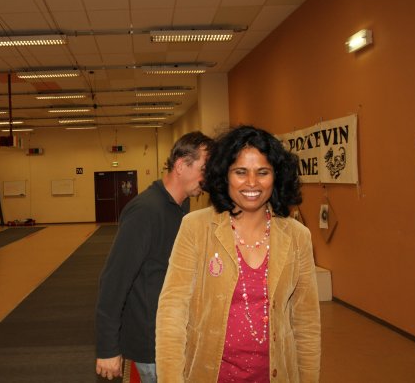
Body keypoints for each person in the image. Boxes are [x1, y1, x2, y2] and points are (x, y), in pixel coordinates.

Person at [156, 125, 321, 382]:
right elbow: (172, 312)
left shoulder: (298, 236)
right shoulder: (196, 228)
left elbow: (306, 322)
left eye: (263, 172)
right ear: (224, 175)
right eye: (240, 172)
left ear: (276, 176)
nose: (252, 183)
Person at [95, 131, 214, 382]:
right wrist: (107, 348)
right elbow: (114, 280)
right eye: (204, 169)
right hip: (153, 342)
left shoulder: (180, 208)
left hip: (176, 333)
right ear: (181, 165)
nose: (208, 178)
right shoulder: (145, 211)